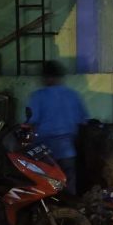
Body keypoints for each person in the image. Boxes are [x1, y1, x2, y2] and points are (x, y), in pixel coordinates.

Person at [25, 61, 89, 195]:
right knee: (68, 188)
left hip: (45, 154)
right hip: (68, 150)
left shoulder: (38, 96)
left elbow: (31, 123)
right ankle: (70, 213)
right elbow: (83, 121)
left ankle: (51, 213)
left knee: (48, 190)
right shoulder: (72, 95)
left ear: (47, 77)